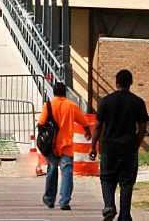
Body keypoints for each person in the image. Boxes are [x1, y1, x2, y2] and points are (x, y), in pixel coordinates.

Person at [93, 69, 149, 221]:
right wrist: (136, 143)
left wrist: (93, 146)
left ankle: (109, 207)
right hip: (128, 147)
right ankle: (125, 215)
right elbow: (143, 127)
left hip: (109, 147)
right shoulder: (137, 102)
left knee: (106, 178)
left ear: (116, 82)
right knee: (126, 182)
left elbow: (98, 126)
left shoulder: (106, 102)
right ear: (130, 83)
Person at [39, 82, 93, 211]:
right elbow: (84, 121)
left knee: (52, 170)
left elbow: (41, 123)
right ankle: (64, 201)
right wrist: (88, 132)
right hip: (66, 145)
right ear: (65, 93)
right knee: (67, 172)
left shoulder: (48, 105)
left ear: (54, 92)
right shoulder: (71, 106)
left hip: (51, 145)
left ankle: (49, 199)